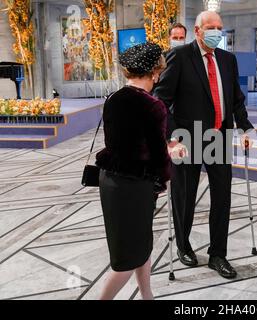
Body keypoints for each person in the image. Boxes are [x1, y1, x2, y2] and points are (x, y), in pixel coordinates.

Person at [153, 11, 254, 279]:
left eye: (220, 28)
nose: (216, 32)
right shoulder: (180, 56)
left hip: (219, 135)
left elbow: (235, 99)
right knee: (185, 196)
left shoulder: (227, 59)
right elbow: (160, 101)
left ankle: (218, 254)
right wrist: (172, 137)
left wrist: (245, 126)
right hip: (188, 137)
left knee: (222, 196)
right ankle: (183, 246)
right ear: (197, 31)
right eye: (211, 27)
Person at [95, 42, 171, 300]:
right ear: (154, 73)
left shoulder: (113, 98)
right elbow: (158, 154)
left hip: (111, 180)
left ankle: (147, 295)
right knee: (126, 259)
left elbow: (120, 142)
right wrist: (163, 181)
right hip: (134, 185)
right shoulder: (153, 106)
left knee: (140, 245)